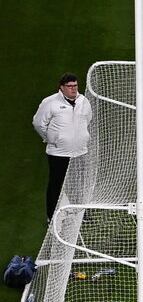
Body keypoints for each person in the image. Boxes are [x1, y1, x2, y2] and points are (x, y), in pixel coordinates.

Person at [32, 73, 93, 221]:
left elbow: (88, 119)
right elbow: (38, 123)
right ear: (62, 88)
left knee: (78, 183)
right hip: (58, 153)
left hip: (79, 151)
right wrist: (52, 139)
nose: (73, 89)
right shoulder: (50, 102)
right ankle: (51, 215)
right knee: (56, 184)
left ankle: (80, 212)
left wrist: (81, 137)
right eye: (70, 86)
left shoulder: (84, 101)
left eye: (75, 86)